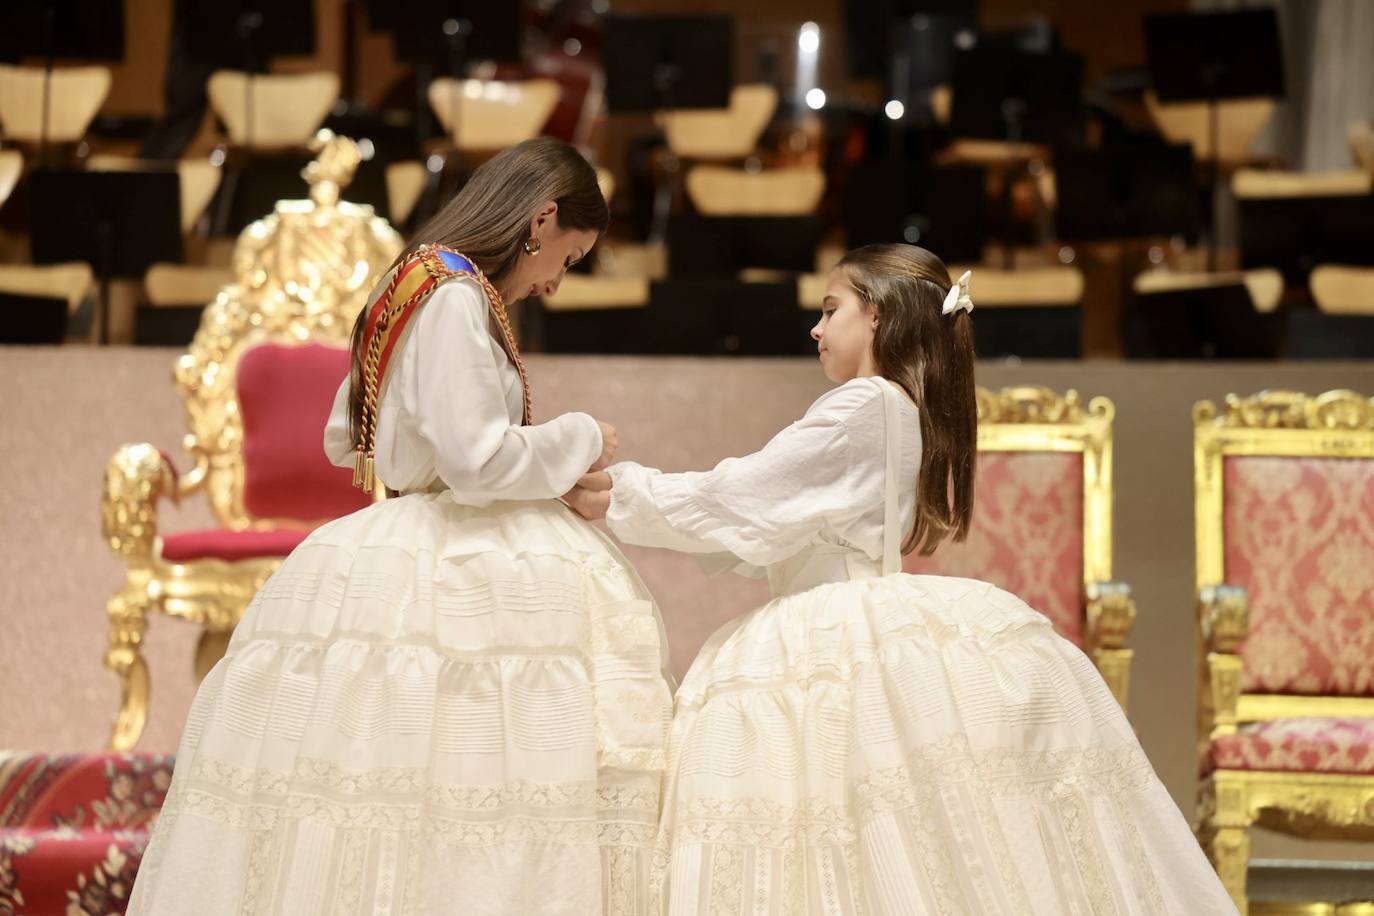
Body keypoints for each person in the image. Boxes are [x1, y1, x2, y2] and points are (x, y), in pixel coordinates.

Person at [570, 243, 1236, 914]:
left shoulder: (866, 404)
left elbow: (745, 495)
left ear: (879, 316)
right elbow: (776, 517)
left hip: (832, 622)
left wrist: (618, 492)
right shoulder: (894, 406)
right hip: (849, 609)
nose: (816, 328)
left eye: (831, 310)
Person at [129, 138, 672, 916]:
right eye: (569, 255)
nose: (556, 281)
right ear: (541, 218)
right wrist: (581, 435)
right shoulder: (455, 294)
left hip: (386, 542)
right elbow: (477, 462)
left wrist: (433, 441)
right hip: (455, 552)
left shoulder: (412, 283)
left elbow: (340, 435)